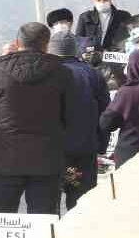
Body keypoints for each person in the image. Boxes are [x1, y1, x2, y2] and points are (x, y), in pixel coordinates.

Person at [0, 22, 74, 214]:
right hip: (47, 158)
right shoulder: (62, 72)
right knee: (43, 219)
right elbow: (69, 115)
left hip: (6, 156)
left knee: (2, 220)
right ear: (46, 43)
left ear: (17, 42)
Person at [47, 31, 110, 210]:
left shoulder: (44, 73)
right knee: (81, 204)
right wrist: (101, 145)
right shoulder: (92, 74)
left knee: (48, 205)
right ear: (75, 50)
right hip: (83, 150)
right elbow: (105, 112)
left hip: (51, 152)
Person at [75, 0, 133, 90]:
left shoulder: (123, 16)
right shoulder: (85, 17)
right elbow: (78, 40)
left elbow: (130, 39)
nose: (102, 2)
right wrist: (83, 53)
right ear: (94, 1)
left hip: (116, 61)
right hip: (92, 61)